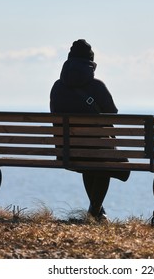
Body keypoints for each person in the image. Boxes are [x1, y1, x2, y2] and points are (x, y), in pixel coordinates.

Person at [50, 39, 130, 221]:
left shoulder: (57, 87)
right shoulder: (97, 86)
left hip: (68, 151)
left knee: (89, 161)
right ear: (91, 63)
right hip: (97, 150)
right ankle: (95, 211)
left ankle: (96, 211)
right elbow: (113, 113)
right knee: (101, 160)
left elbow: (54, 113)